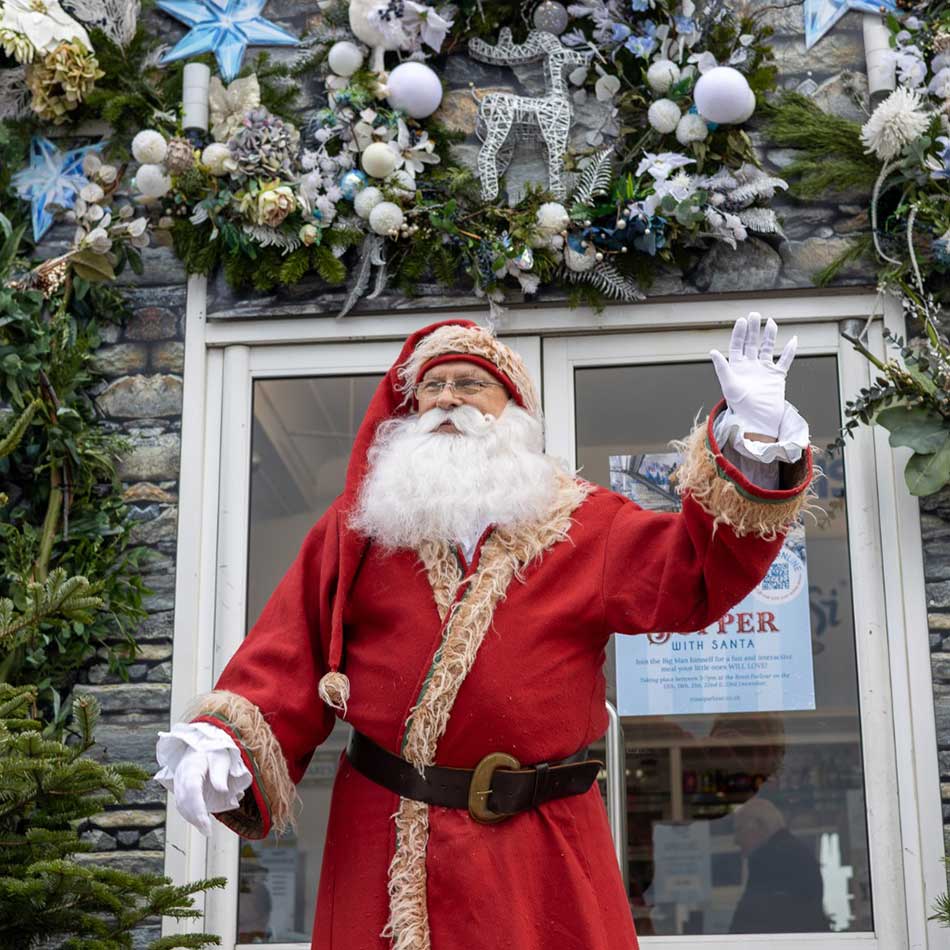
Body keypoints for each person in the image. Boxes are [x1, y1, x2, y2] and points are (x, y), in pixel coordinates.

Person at [155, 315, 814, 950]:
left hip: (539, 849)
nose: (447, 400)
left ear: (515, 411)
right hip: (384, 835)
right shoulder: (365, 526)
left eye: (470, 384)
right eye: (432, 387)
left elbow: (691, 572)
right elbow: (290, 644)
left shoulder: (586, 523)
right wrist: (227, 741)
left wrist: (754, 446)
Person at [730, 797, 831, 933]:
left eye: (739, 829)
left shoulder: (770, 859)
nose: (736, 840)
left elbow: (751, 919)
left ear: (760, 826)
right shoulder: (791, 852)